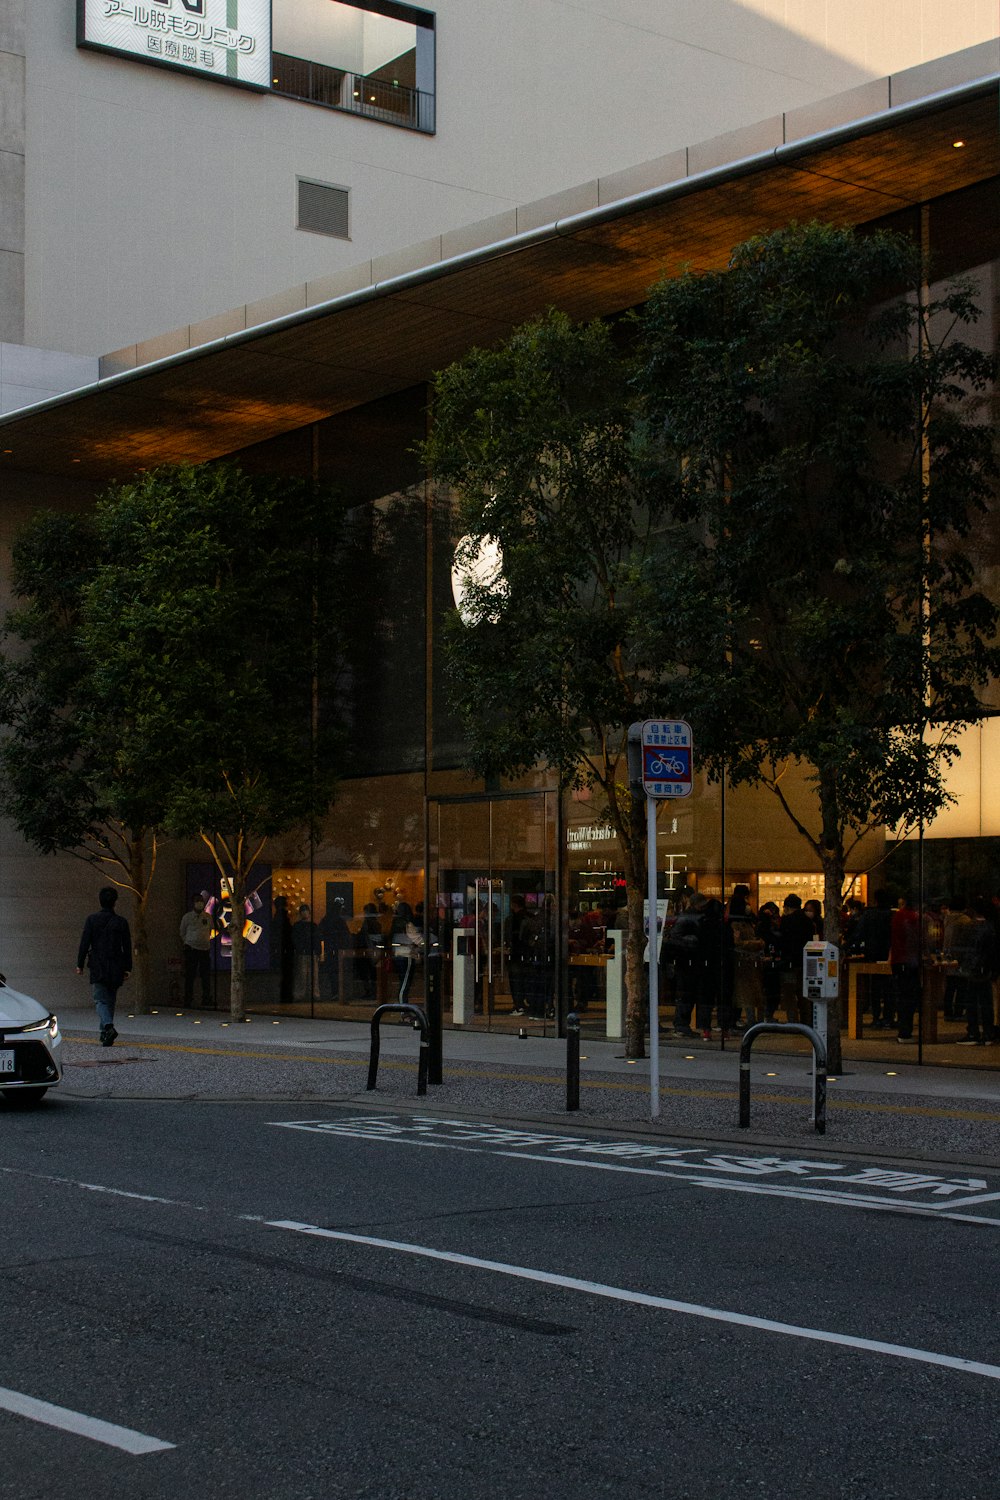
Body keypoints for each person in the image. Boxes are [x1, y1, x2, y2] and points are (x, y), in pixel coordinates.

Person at [75, 886, 132, 1047]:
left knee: (100, 1000)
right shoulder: (121, 922)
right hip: (116, 965)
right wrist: (128, 968)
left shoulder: (92, 920)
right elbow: (127, 946)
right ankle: (105, 1034)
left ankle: (107, 1027)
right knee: (111, 1000)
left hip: (98, 964)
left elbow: (84, 943)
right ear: (115, 902)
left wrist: (80, 964)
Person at [778, 894, 813, 1024]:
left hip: (789, 962)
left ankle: (793, 1020)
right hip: (805, 961)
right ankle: (807, 1021)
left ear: (787, 907)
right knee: (804, 994)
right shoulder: (808, 921)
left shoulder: (787, 920)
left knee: (789, 994)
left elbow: (782, 940)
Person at [890, 893, 921, 1042]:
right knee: (909, 997)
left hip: (899, 960)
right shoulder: (914, 917)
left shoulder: (898, 916)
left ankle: (904, 1030)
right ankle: (905, 1031)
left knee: (902, 996)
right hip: (910, 961)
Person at [180, 891, 213, 1008]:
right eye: (197, 901)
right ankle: (188, 999)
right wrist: (188, 942)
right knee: (190, 975)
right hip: (191, 950)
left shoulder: (208, 917)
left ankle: (206, 998)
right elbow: (182, 932)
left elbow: (211, 931)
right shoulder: (187, 917)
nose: (200, 903)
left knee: (206, 976)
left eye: (201, 901)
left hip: (205, 949)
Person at [390, 899, 423, 1004]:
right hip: (407, 955)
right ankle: (403, 1008)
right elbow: (419, 940)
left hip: (397, 955)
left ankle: (402, 1006)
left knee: (402, 982)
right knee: (405, 983)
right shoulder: (408, 925)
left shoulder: (394, 924)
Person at [319, 897, 352, 1002]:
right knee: (339, 971)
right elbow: (346, 935)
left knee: (332, 972)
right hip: (339, 949)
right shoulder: (339, 920)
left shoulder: (326, 919)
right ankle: (339, 992)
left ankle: (335, 992)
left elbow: (321, 933)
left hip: (330, 949)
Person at [292, 903, 320, 1002]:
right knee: (304, 975)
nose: (304, 913)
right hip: (305, 952)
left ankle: (305, 994)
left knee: (308, 975)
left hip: (308, 952)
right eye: (303, 911)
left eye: (305, 911)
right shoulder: (311, 925)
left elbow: (317, 939)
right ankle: (308, 994)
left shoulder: (308, 925)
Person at [272, 895, 295, 1004]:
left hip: (282, 950)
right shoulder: (282, 918)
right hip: (285, 951)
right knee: (286, 974)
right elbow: (287, 934)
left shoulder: (277, 917)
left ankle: (285, 995)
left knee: (284, 974)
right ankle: (286, 996)